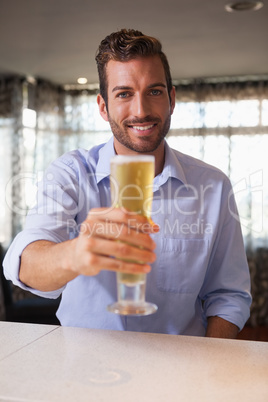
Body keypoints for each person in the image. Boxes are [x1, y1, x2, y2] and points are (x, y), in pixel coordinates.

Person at [3, 29, 251, 337]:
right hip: (85, 367)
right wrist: (78, 252)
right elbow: (27, 265)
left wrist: (209, 368)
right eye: (124, 94)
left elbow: (229, 296)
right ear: (103, 107)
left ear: (172, 99)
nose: (141, 110)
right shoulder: (70, 173)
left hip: (183, 370)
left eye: (155, 91)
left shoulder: (214, 186)